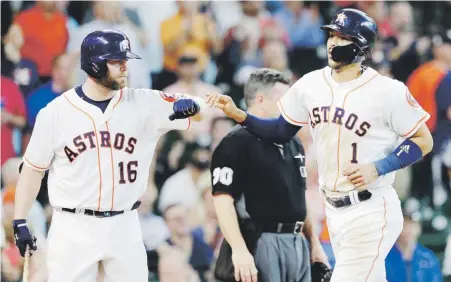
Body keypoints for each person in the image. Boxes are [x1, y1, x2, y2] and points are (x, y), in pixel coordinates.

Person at [206, 8, 434, 282]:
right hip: (334, 211)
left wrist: (379, 167)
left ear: (361, 47)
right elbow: (280, 130)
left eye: (342, 37)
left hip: (371, 208)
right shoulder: (312, 84)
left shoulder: (388, 91)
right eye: (331, 35)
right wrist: (240, 115)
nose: (332, 42)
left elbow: (424, 140)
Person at [12, 29, 204, 282]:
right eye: (117, 61)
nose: (125, 66)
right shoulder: (56, 112)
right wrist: (20, 220)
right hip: (73, 224)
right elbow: (32, 169)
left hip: (124, 222)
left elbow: (200, 106)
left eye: (125, 60)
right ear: (94, 64)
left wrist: (192, 105)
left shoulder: (144, 101)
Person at [211, 68, 329, 282]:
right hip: (259, 240)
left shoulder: (293, 141)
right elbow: (222, 200)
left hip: (296, 241)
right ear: (261, 99)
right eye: (285, 98)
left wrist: (314, 243)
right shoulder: (235, 141)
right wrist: (239, 249)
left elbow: (298, 197)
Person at [385, 209, 443, 282]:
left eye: (412, 225)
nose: (408, 230)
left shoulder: (428, 258)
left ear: (419, 228)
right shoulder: (383, 257)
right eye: (404, 225)